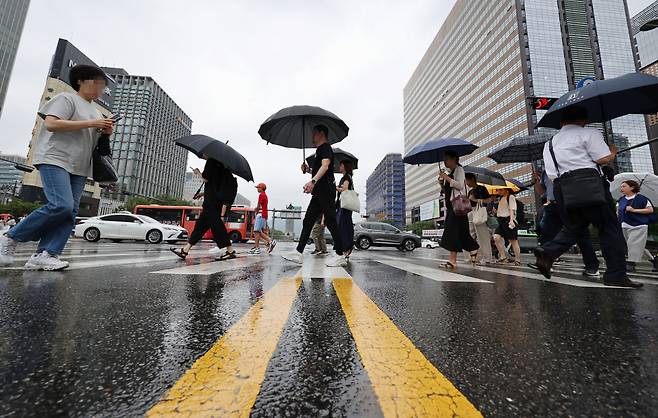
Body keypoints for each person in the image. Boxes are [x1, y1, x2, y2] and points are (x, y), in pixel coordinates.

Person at [0, 65, 115, 270]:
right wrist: (92, 123)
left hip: (80, 167)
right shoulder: (67, 99)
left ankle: (46, 254)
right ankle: (10, 237)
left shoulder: (96, 111)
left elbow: (96, 144)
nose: (100, 88)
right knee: (60, 205)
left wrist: (105, 132)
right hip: (55, 159)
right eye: (96, 82)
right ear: (80, 81)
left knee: (70, 212)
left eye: (102, 85)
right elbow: (52, 124)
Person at [533, 106, 642, 288]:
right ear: (584, 121)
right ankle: (616, 274)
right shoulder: (589, 133)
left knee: (574, 226)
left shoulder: (550, 143)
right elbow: (603, 158)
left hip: (563, 188)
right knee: (609, 228)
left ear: (561, 122)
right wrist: (612, 151)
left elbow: (552, 174)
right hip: (589, 184)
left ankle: (548, 252)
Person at [282, 124, 346, 267]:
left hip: (326, 190)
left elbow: (325, 166)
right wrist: (309, 169)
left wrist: (312, 181)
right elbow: (320, 168)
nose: (312, 136)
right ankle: (298, 253)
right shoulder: (319, 150)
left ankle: (340, 254)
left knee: (330, 220)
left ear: (321, 133)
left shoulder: (325, 148)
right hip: (319, 192)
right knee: (308, 220)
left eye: (314, 133)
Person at [532, 169, 600, 277]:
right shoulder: (545, 172)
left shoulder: (565, 164)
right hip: (552, 205)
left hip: (569, 202)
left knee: (580, 234)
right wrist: (536, 181)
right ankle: (544, 262)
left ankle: (592, 266)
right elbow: (542, 192)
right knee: (547, 234)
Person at [171, 158, 237, 261]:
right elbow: (215, 186)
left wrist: (197, 172)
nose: (202, 155)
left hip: (211, 204)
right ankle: (185, 250)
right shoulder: (222, 165)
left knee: (217, 228)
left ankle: (230, 251)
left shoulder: (211, 161)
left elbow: (206, 179)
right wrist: (203, 193)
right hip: (214, 202)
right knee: (200, 227)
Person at [437, 150, 479, 270]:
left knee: (452, 232)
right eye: (444, 159)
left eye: (447, 159)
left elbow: (460, 185)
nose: (445, 161)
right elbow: (447, 192)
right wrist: (441, 183)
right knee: (462, 232)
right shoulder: (450, 172)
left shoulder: (459, 170)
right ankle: (473, 247)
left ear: (454, 159)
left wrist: (447, 178)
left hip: (458, 205)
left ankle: (453, 261)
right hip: (452, 206)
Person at [617, 180, 654, 272]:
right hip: (624, 225)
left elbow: (650, 210)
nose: (621, 188)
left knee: (632, 244)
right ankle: (654, 260)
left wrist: (634, 210)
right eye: (621, 187)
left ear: (632, 187)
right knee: (637, 246)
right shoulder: (621, 199)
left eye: (624, 186)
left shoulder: (642, 198)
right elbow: (617, 212)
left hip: (639, 225)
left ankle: (631, 263)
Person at [465, 172, 493, 264]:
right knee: (470, 235)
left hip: (479, 211)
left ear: (472, 179)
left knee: (483, 236)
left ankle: (487, 257)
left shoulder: (482, 188)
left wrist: (475, 200)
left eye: (467, 180)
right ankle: (472, 256)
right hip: (470, 212)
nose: (466, 182)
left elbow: (489, 200)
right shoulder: (469, 191)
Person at [492, 188, 522, 265]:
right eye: (498, 190)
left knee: (513, 240)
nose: (498, 191)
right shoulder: (501, 198)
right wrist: (495, 212)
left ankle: (517, 259)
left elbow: (512, 209)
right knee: (496, 237)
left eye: (501, 190)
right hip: (501, 221)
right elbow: (501, 211)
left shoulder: (511, 197)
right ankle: (503, 257)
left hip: (508, 220)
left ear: (506, 190)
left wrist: (511, 220)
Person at [248, 183, 276, 255]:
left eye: (258, 187)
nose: (257, 189)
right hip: (263, 215)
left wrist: (255, 211)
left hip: (261, 215)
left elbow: (258, 206)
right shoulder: (264, 195)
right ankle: (267, 242)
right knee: (257, 231)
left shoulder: (261, 195)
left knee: (256, 231)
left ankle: (259, 247)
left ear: (261, 188)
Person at [336, 159, 355, 261]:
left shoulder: (346, 177)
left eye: (341, 165)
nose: (339, 167)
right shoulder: (345, 177)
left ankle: (347, 249)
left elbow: (345, 189)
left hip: (344, 207)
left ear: (345, 166)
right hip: (343, 206)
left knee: (344, 227)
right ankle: (345, 249)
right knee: (343, 227)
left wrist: (337, 188)